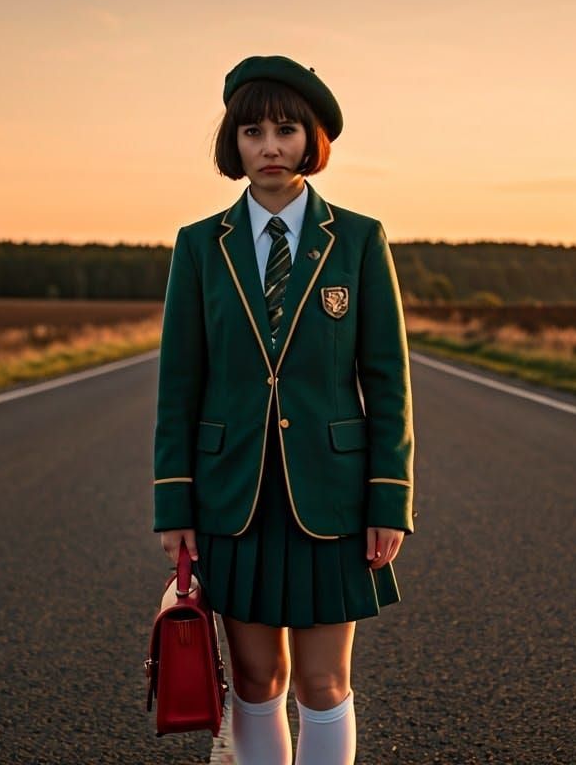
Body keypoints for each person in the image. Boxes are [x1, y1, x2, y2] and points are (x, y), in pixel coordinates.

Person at [152, 55, 415, 765]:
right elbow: (179, 382)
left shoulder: (358, 239)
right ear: (232, 145)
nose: (269, 146)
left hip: (331, 496)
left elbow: (386, 378)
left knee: (326, 682)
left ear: (311, 142)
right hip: (232, 495)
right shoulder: (200, 245)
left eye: (285, 130)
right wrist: (174, 504)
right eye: (252, 131)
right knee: (257, 680)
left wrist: (387, 499)